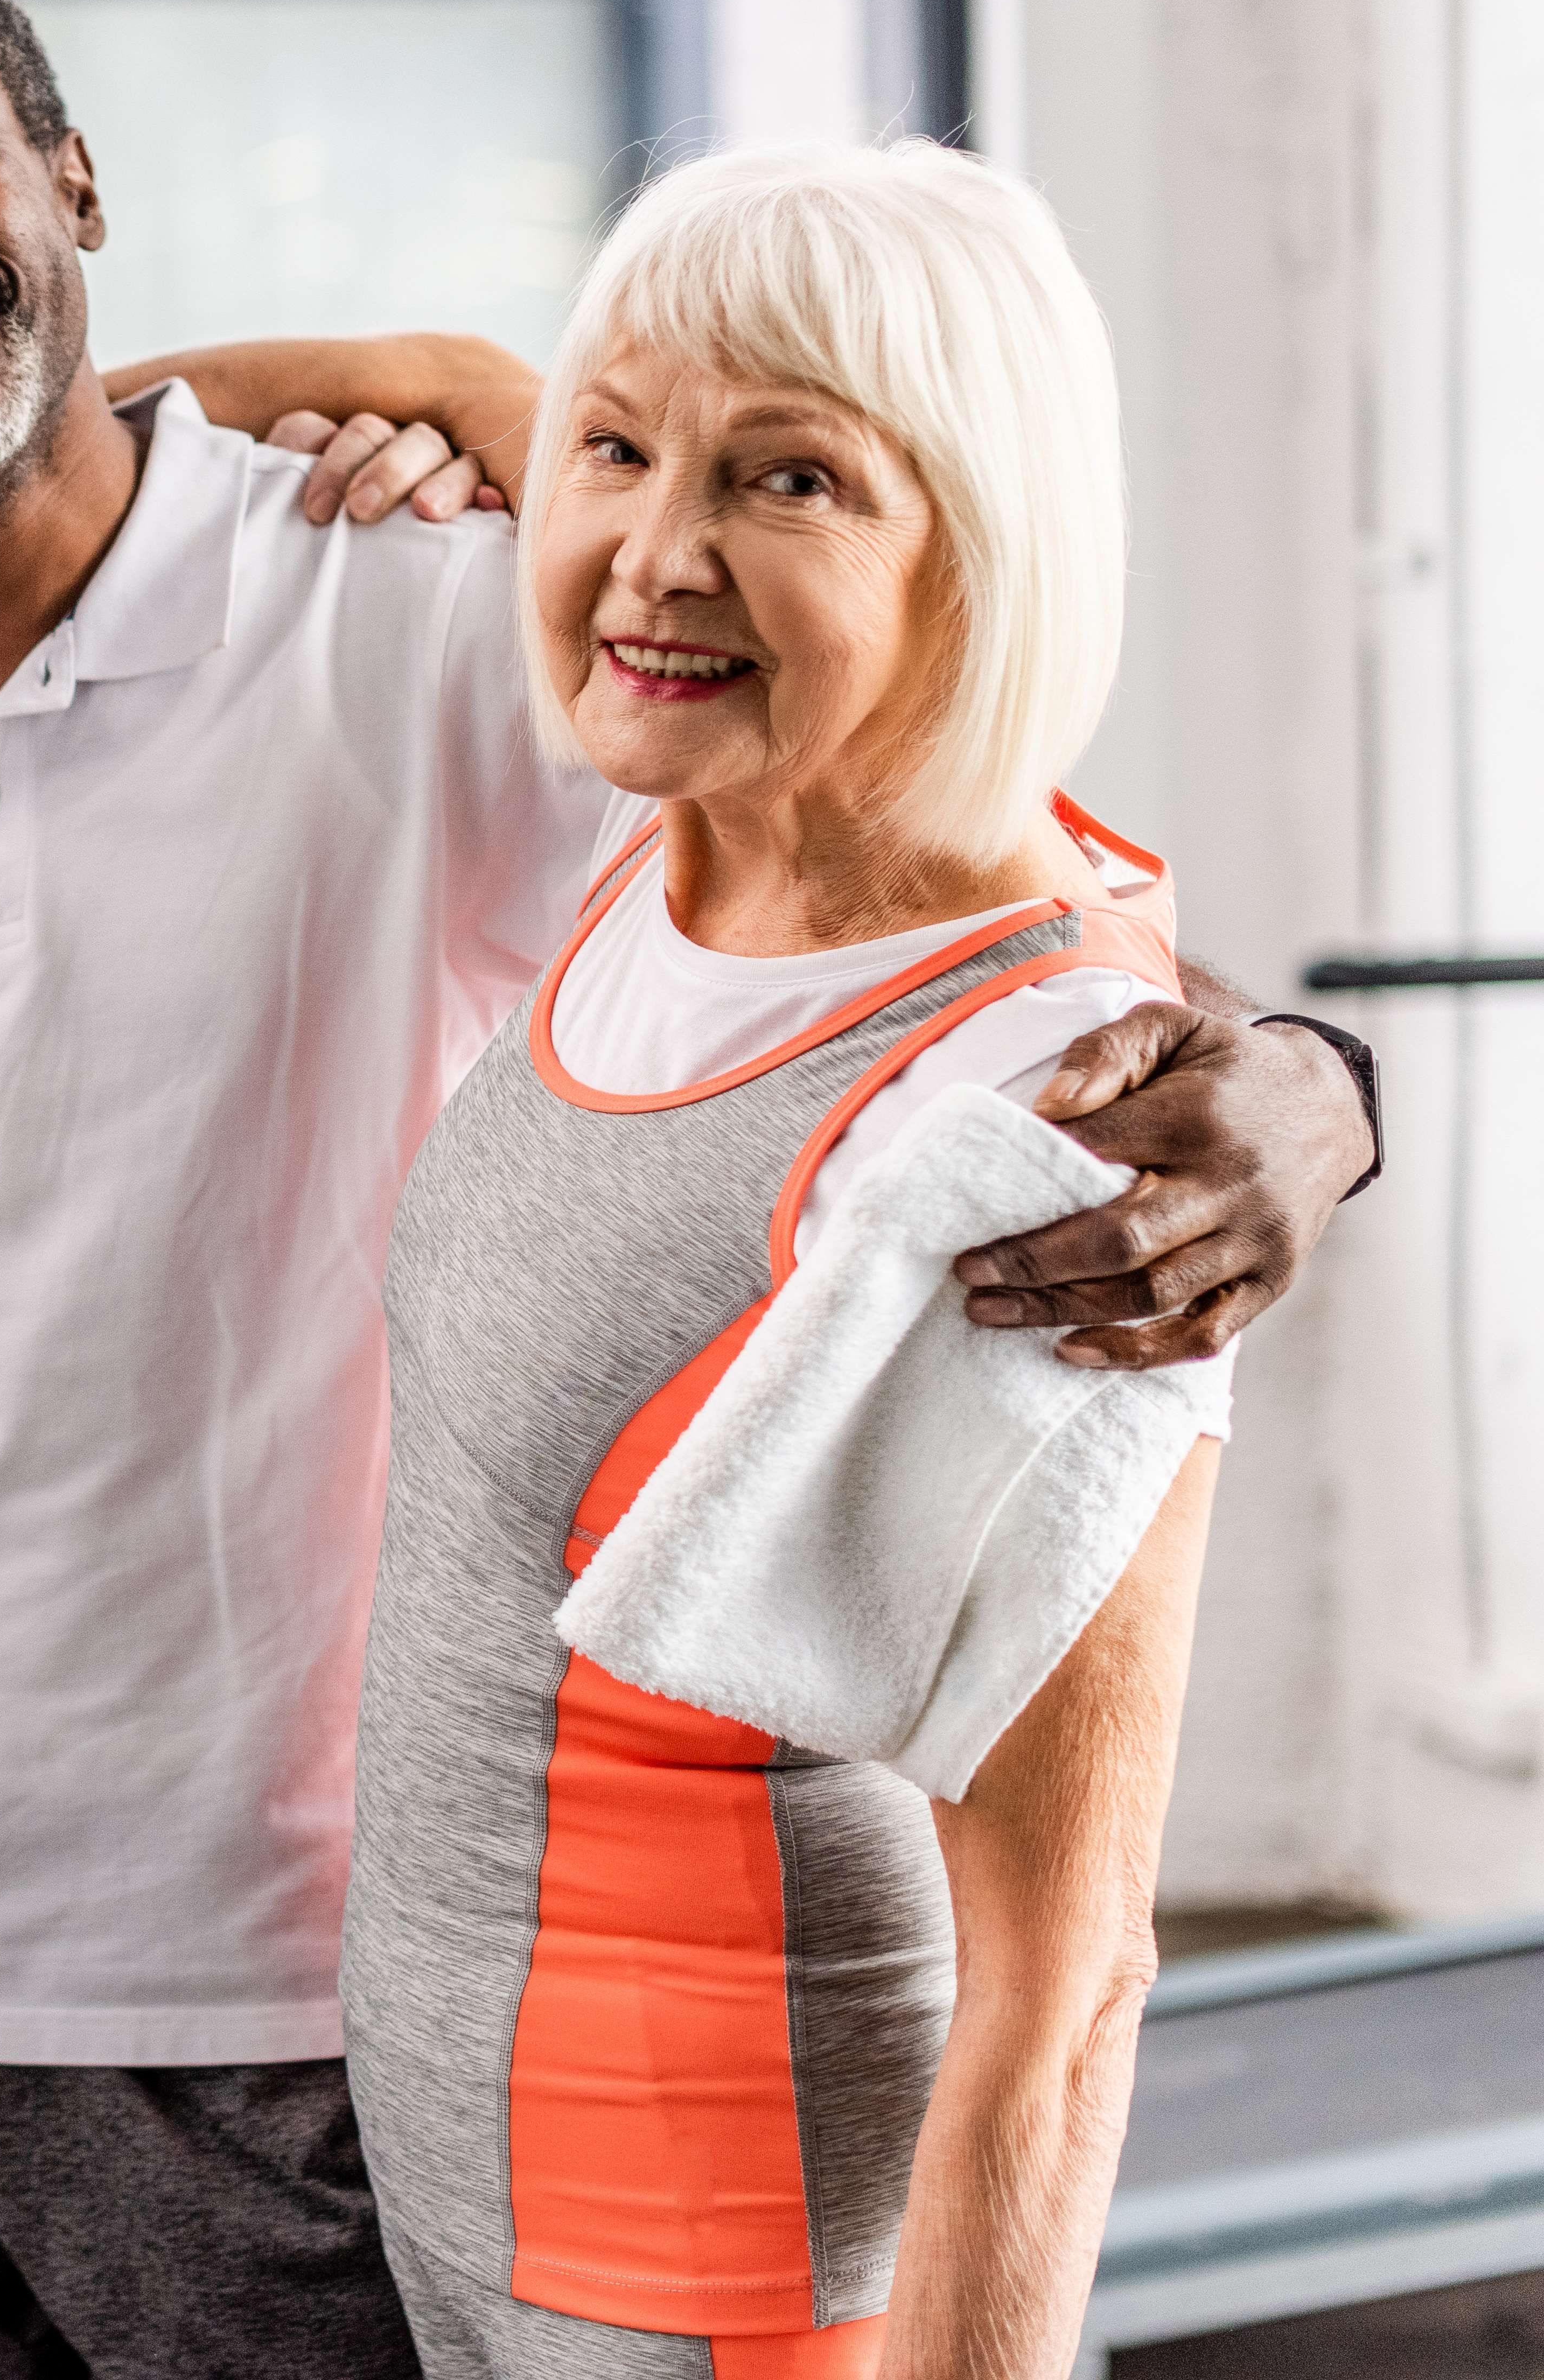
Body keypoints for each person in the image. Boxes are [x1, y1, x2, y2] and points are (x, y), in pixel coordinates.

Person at [0, 0, 1378, 2377]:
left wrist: (1306, 1084)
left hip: (295, 1972)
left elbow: (918, 828)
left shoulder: (408, 602)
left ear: (74, 180)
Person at [346, 139, 1228, 2380]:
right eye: (616, 450)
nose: (656, 551)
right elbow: (463, 396)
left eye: (791, 481)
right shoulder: (679, 842)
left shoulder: (1040, 1116)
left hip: (724, 2270)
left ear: (980, 535)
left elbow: (1065, 1982)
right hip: (456, 2194)